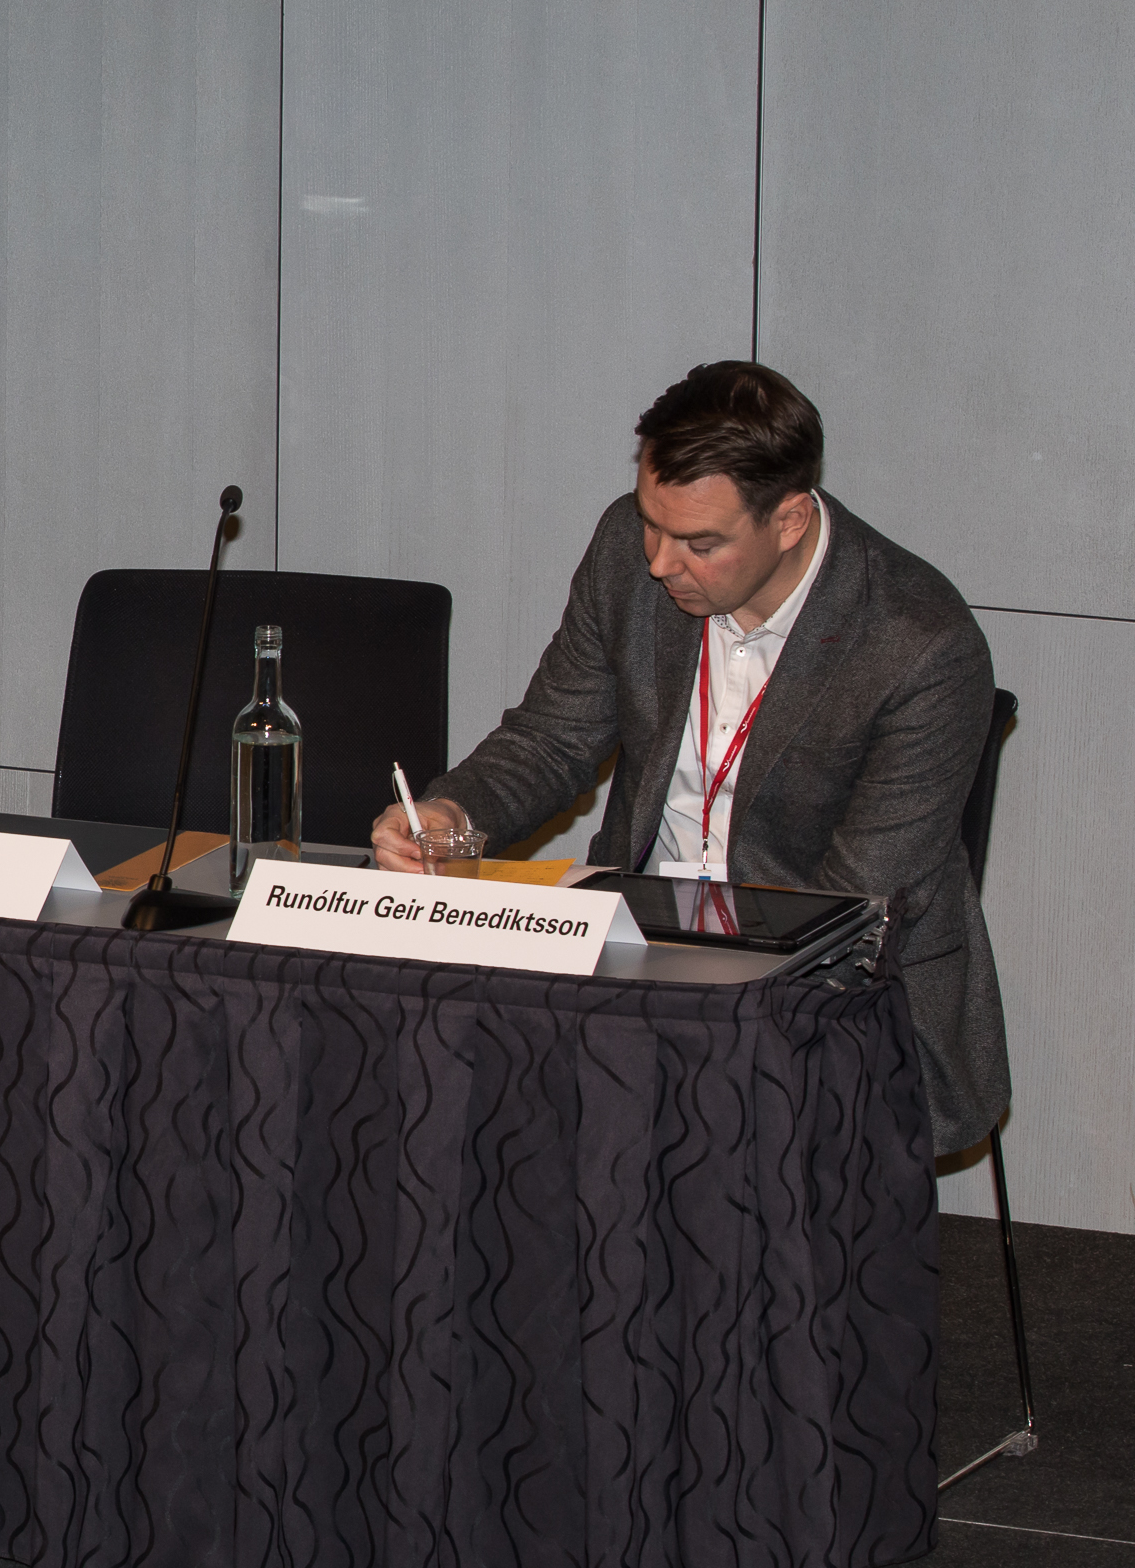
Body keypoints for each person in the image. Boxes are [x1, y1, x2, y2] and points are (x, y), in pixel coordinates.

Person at [369, 361, 1007, 1151]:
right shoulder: (627, 550)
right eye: (651, 523)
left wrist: (690, 1008)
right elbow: (553, 737)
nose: (660, 563)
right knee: (446, 1066)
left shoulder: (919, 643)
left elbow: (854, 907)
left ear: (790, 520)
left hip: (836, 986)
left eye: (701, 544)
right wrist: (450, 812)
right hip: (636, 945)